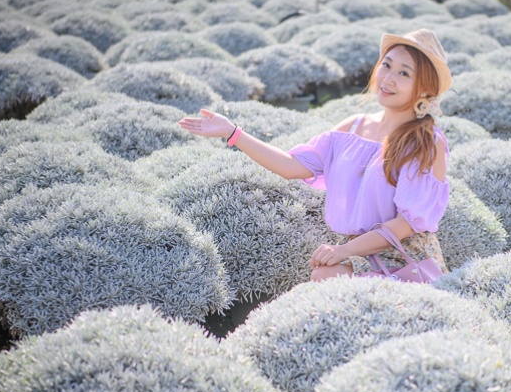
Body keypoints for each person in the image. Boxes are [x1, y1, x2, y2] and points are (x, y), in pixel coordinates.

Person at [178, 28, 451, 282]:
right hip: (363, 252)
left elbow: (405, 224)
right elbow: (291, 166)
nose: (389, 78)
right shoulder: (352, 128)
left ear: (424, 88)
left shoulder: (427, 142)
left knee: (325, 276)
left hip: (406, 257)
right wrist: (233, 132)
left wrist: (343, 250)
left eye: (404, 73)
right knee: (323, 274)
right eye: (386, 65)